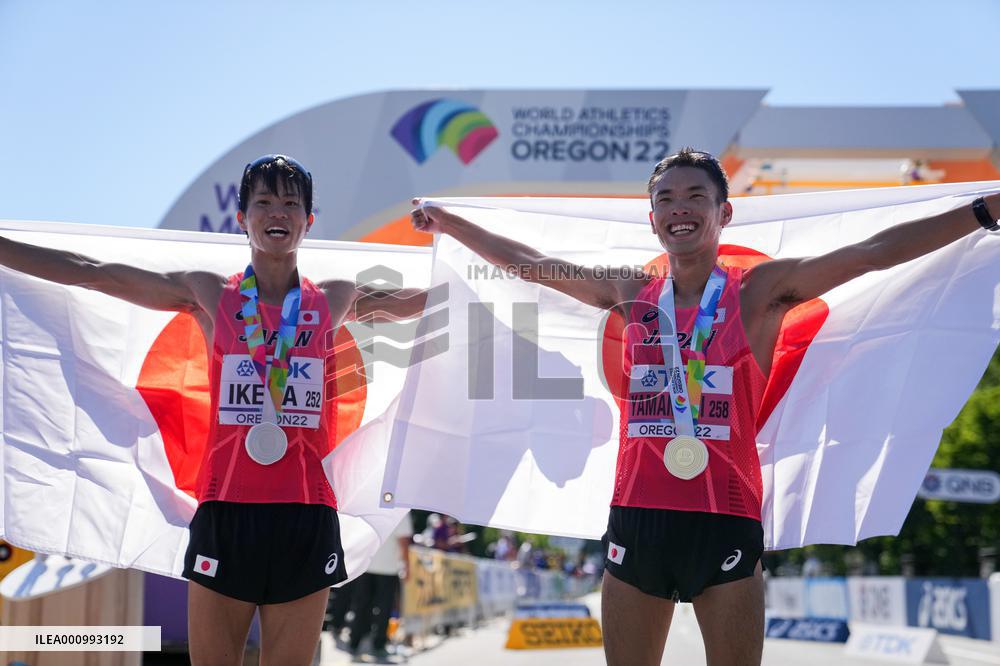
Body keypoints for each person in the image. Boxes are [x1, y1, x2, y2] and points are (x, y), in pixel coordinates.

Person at [411, 147, 1000, 666]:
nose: (680, 208)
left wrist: (982, 212)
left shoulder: (759, 292)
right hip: (636, 520)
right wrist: (451, 222)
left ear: (725, 213)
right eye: (666, 199)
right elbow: (530, 264)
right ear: (653, 219)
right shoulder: (628, 292)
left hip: (727, 522)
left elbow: (871, 253)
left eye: (697, 196)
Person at [0, 155, 424, 666]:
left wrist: (491, 269)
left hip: (307, 517)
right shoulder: (208, 292)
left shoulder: (334, 297)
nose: (278, 212)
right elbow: (93, 274)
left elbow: (419, 302)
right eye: (264, 201)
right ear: (242, 217)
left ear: (308, 220)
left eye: (291, 203)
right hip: (225, 514)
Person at [347, 512, 412, 663]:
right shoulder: (401, 510)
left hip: (367, 565)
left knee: (361, 605)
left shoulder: (372, 505)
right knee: (383, 608)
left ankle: (355, 641)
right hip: (387, 569)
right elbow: (404, 541)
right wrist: (407, 566)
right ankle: (378, 644)